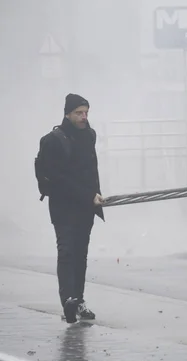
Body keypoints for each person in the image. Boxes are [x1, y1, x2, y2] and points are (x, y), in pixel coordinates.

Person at [35, 93, 105, 323]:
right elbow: (59, 178)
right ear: (67, 113)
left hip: (86, 207)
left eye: (86, 112)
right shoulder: (54, 140)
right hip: (64, 207)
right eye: (78, 113)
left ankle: (78, 300)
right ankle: (68, 301)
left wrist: (95, 195)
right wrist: (89, 195)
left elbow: (89, 172)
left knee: (80, 254)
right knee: (66, 251)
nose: (84, 117)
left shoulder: (89, 136)